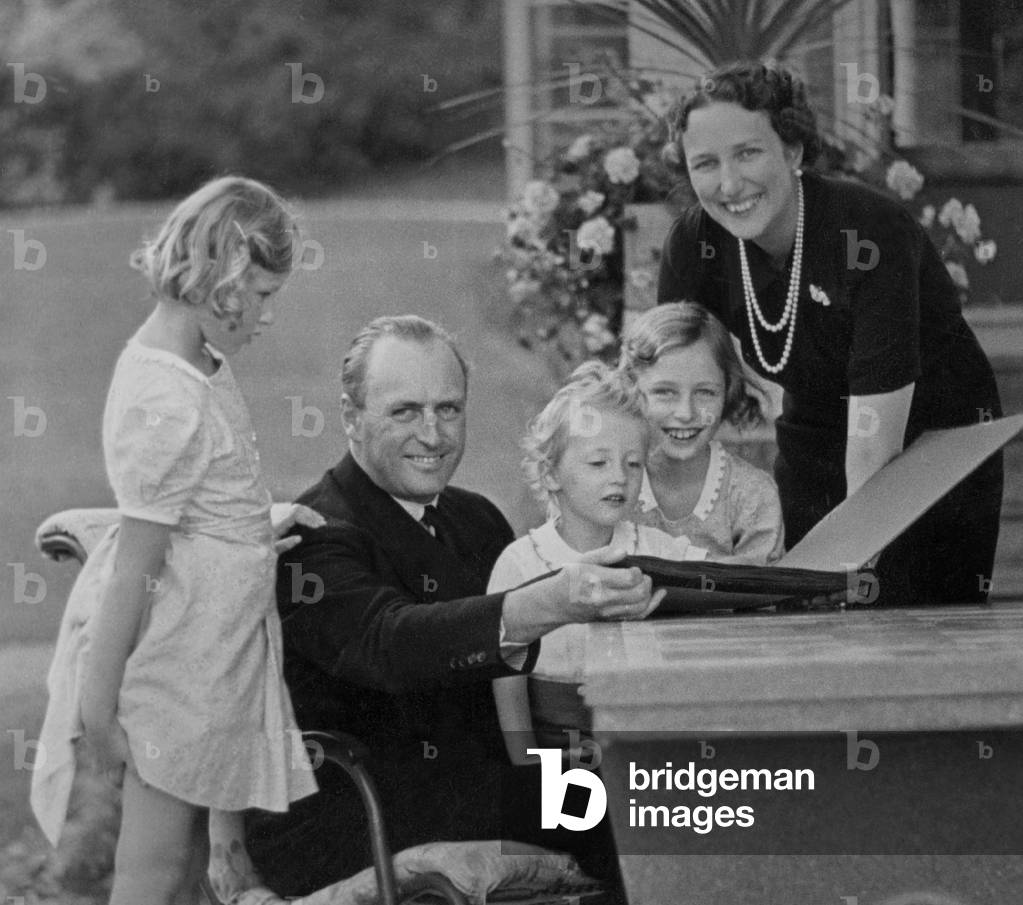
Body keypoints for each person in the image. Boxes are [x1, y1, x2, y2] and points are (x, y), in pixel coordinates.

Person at [245, 315, 661, 896]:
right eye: (405, 412)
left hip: (477, 783)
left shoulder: (476, 518)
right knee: (637, 817)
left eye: (448, 409)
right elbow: (390, 644)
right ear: (350, 418)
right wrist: (546, 601)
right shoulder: (315, 534)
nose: (433, 435)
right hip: (356, 811)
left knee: (674, 800)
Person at [30, 176, 322, 905]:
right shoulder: (163, 396)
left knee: (191, 867)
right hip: (177, 667)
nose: (264, 315)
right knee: (153, 873)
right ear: (221, 280)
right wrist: (99, 708)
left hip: (215, 655)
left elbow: (205, 505)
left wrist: (257, 530)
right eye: (258, 295)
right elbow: (135, 565)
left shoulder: (198, 366)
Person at [658, 60, 1003, 605]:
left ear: (792, 151)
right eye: (705, 163)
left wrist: (849, 570)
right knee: (799, 607)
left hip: (932, 447)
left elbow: (873, 443)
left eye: (748, 153)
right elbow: (663, 395)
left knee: (905, 621)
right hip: (816, 431)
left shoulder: (868, 232)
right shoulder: (695, 246)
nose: (729, 184)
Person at [488, 361, 705, 765]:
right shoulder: (521, 563)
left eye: (633, 463)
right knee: (572, 828)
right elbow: (507, 673)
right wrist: (524, 757)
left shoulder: (661, 551)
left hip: (645, 745)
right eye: (598, 463)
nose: (620, 478)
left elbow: (720, 583)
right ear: (551, 473)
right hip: (557, 749)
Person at [619, 301, 784, 565]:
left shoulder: (752, 494)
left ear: (728, 392)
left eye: (705, 392)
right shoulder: (611, 481)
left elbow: (764, 589)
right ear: (630, 389)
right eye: (664, 392)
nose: (686, 413)